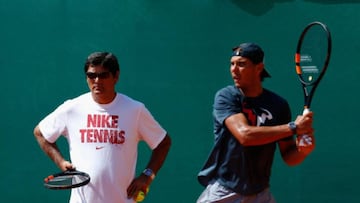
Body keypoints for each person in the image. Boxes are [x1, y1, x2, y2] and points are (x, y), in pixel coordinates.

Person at [34, 52, 171, 203]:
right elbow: (40, 133)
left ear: (116, 76)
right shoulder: (72, 108)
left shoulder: (134, 110)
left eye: (103, 75)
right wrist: (60, 162)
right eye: (91, 76)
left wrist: (147, 175)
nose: (97, 81)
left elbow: (163, 143)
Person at [197, 42, 315, 203]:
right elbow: (245, 135)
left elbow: (289, 156)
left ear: (259, 68)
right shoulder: (226, 96)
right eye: (232, 64)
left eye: (242, 64)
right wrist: (294, 127)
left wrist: (303, 151)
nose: (234, 69)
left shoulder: (278, 105)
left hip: (260, 194)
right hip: (224, 192)